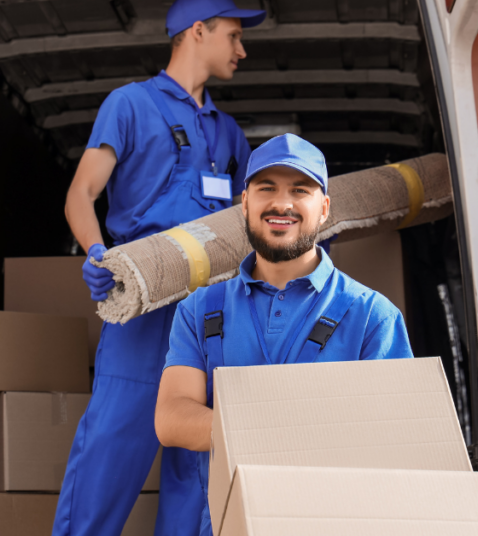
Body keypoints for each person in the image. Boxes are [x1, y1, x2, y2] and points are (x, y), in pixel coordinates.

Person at [56, 0, 266, 533]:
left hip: (207, 315)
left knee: (197, 472)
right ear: (199, 31)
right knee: (109, 453)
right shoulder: (129, 105)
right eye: (235, 36)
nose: (242, 50)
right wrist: (96, 250)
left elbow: (256, 219)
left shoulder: (229, 133)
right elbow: (81, 193)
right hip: (142, 311)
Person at [153, 133, 415, 535]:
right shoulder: (200, 310)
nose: (282, 203)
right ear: (245, 203)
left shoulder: (372, 316)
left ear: (324, 208)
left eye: (300, 190)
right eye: (267, 188)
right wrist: (276, 432)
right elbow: (171, 418)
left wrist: (255, 430)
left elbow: (395, 438)